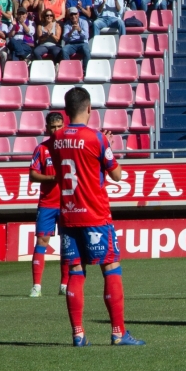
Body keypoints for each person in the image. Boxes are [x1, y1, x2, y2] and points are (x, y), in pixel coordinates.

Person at [48, 87, 145, 347]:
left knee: (75, 272)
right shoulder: (96, 139)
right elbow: (117, 174)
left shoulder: (54, 140)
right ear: (89, 108)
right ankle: (118, 332)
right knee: (111, 267)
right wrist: (108, 146)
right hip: (95, 215)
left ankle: (78, 334)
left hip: (68, 215)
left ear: (66, 111)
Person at [28, 112, 68, 298]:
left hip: (68, 203)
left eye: (59, 126)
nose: (56, 130)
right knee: (42, 242)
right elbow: (33, 175)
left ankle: (64, 285)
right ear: (47, 128)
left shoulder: (70, 147)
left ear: (64, 126)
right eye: (52, 127)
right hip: (47, 203)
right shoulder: (42, 149)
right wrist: (52, 178)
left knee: (67, 244)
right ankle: (37, 286)